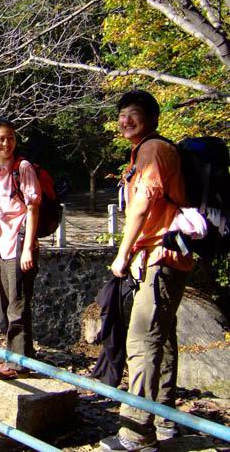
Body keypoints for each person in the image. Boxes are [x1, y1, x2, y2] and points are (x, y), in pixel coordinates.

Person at [99, 90, 192, 452]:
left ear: (152, 118)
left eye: (133, 113)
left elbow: (141, 206)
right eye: (122, 114)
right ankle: (165, 420)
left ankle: (136, 434)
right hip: (164, 257)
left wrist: (122, 255)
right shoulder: (145, 151)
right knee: (162, 338)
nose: (125, 120)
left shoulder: (152, 150)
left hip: (160, 257)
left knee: (141, 341)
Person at [0, 119, 41, 380]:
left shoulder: (23, 167)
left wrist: (28, 248)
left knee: (17, 304)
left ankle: (16, 363)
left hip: (19, 243)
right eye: (1, 139)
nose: (6, 143)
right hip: (1, 243)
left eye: (10, 138)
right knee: (10, 303)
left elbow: (33, 207)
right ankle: (23, 355)